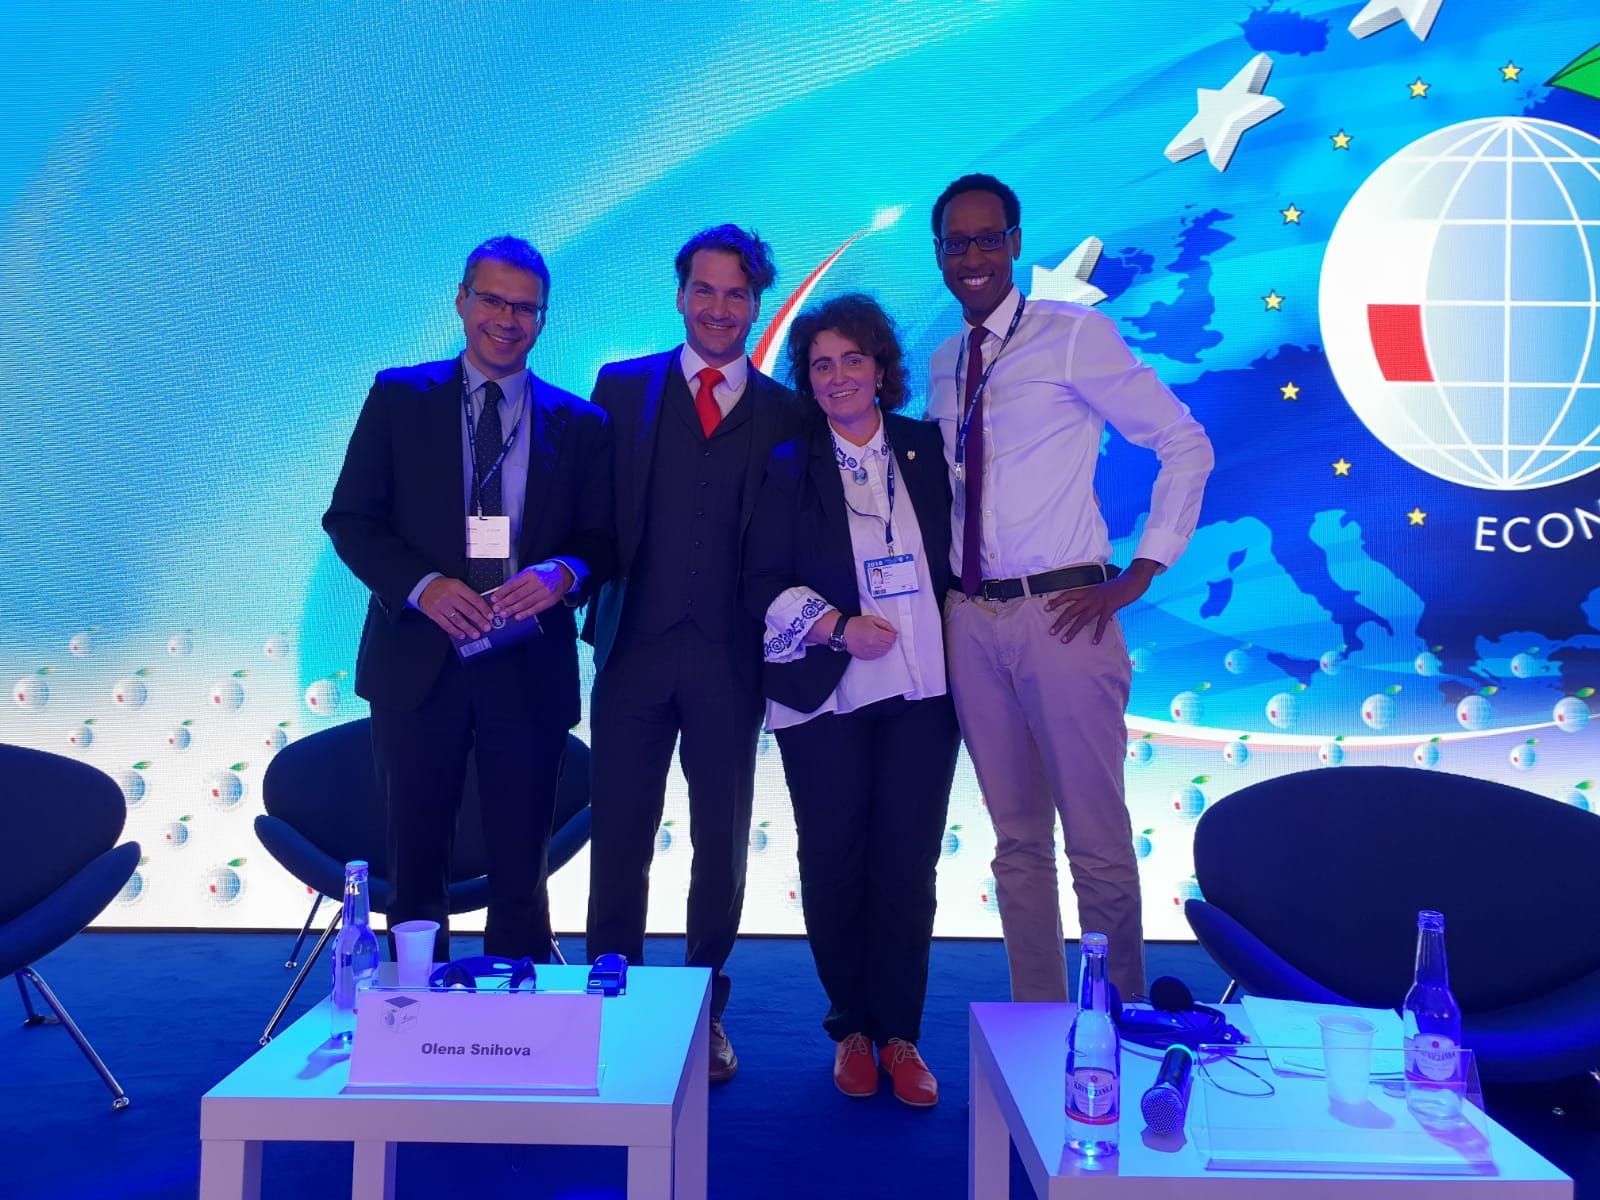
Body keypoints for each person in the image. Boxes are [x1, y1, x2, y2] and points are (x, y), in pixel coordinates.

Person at [927, 174, 1214, 1002]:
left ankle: (1111, 1027)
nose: (974, 256)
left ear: (1016, 242)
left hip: (1063, 615)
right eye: (956, 242)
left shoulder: (1074, 335)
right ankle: (1037, 1023)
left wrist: (1141, 572)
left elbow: (1185, 444)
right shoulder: (944, 362)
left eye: (989, 238)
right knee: (1016, 846)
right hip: (969, 622)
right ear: (940, 255)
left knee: (1096, 843)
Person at [324, 235, 614, 965]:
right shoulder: (399, 398)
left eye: (525, 308)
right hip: (419, 665)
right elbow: (352, 520)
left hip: (528, 664)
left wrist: (564, 574)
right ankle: (414, 1004)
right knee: (416, 860)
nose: (507, 320)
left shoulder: (581, 424)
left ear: (543, 319)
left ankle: (518, 996)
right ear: (461, 301)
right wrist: (424, 587)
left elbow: (605, 540)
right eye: (492, 300)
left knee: (523, 865)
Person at [583, 224, 803, 1082]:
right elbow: (584, 515)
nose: (718, 307)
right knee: (619, 835)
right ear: (679, 296)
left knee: (722, 845)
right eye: (703, 290)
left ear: (756, 304)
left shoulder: (787, 411)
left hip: (730, 663)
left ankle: (706, 1008)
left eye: (736, 294)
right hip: (631, 652)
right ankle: (612, 998)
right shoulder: (620, 388)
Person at [745, 293, 959, 1107]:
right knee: (833, 860)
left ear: (880, 368)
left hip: (925, 690)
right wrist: (835, 626)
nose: (837, 377)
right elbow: (758, 580)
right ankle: (852, 1031)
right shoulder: (786, 464)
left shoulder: (925, 448)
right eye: (821, 364)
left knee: (907, 862)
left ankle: (899, 1033)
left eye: (852, 360)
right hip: (823, 690)